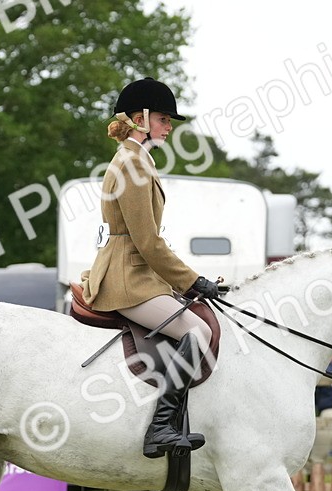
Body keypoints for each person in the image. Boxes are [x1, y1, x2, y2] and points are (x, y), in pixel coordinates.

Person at [80, 77, 228, 458]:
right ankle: (161, 427)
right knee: (195, 331)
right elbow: (147, 242)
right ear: (141, 119)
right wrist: (194, 281)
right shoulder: (131, 165)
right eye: (164, 118)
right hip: (125, 279)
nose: (169, 126)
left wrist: (186, 283)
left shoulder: (139, 160)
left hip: (139, 274)